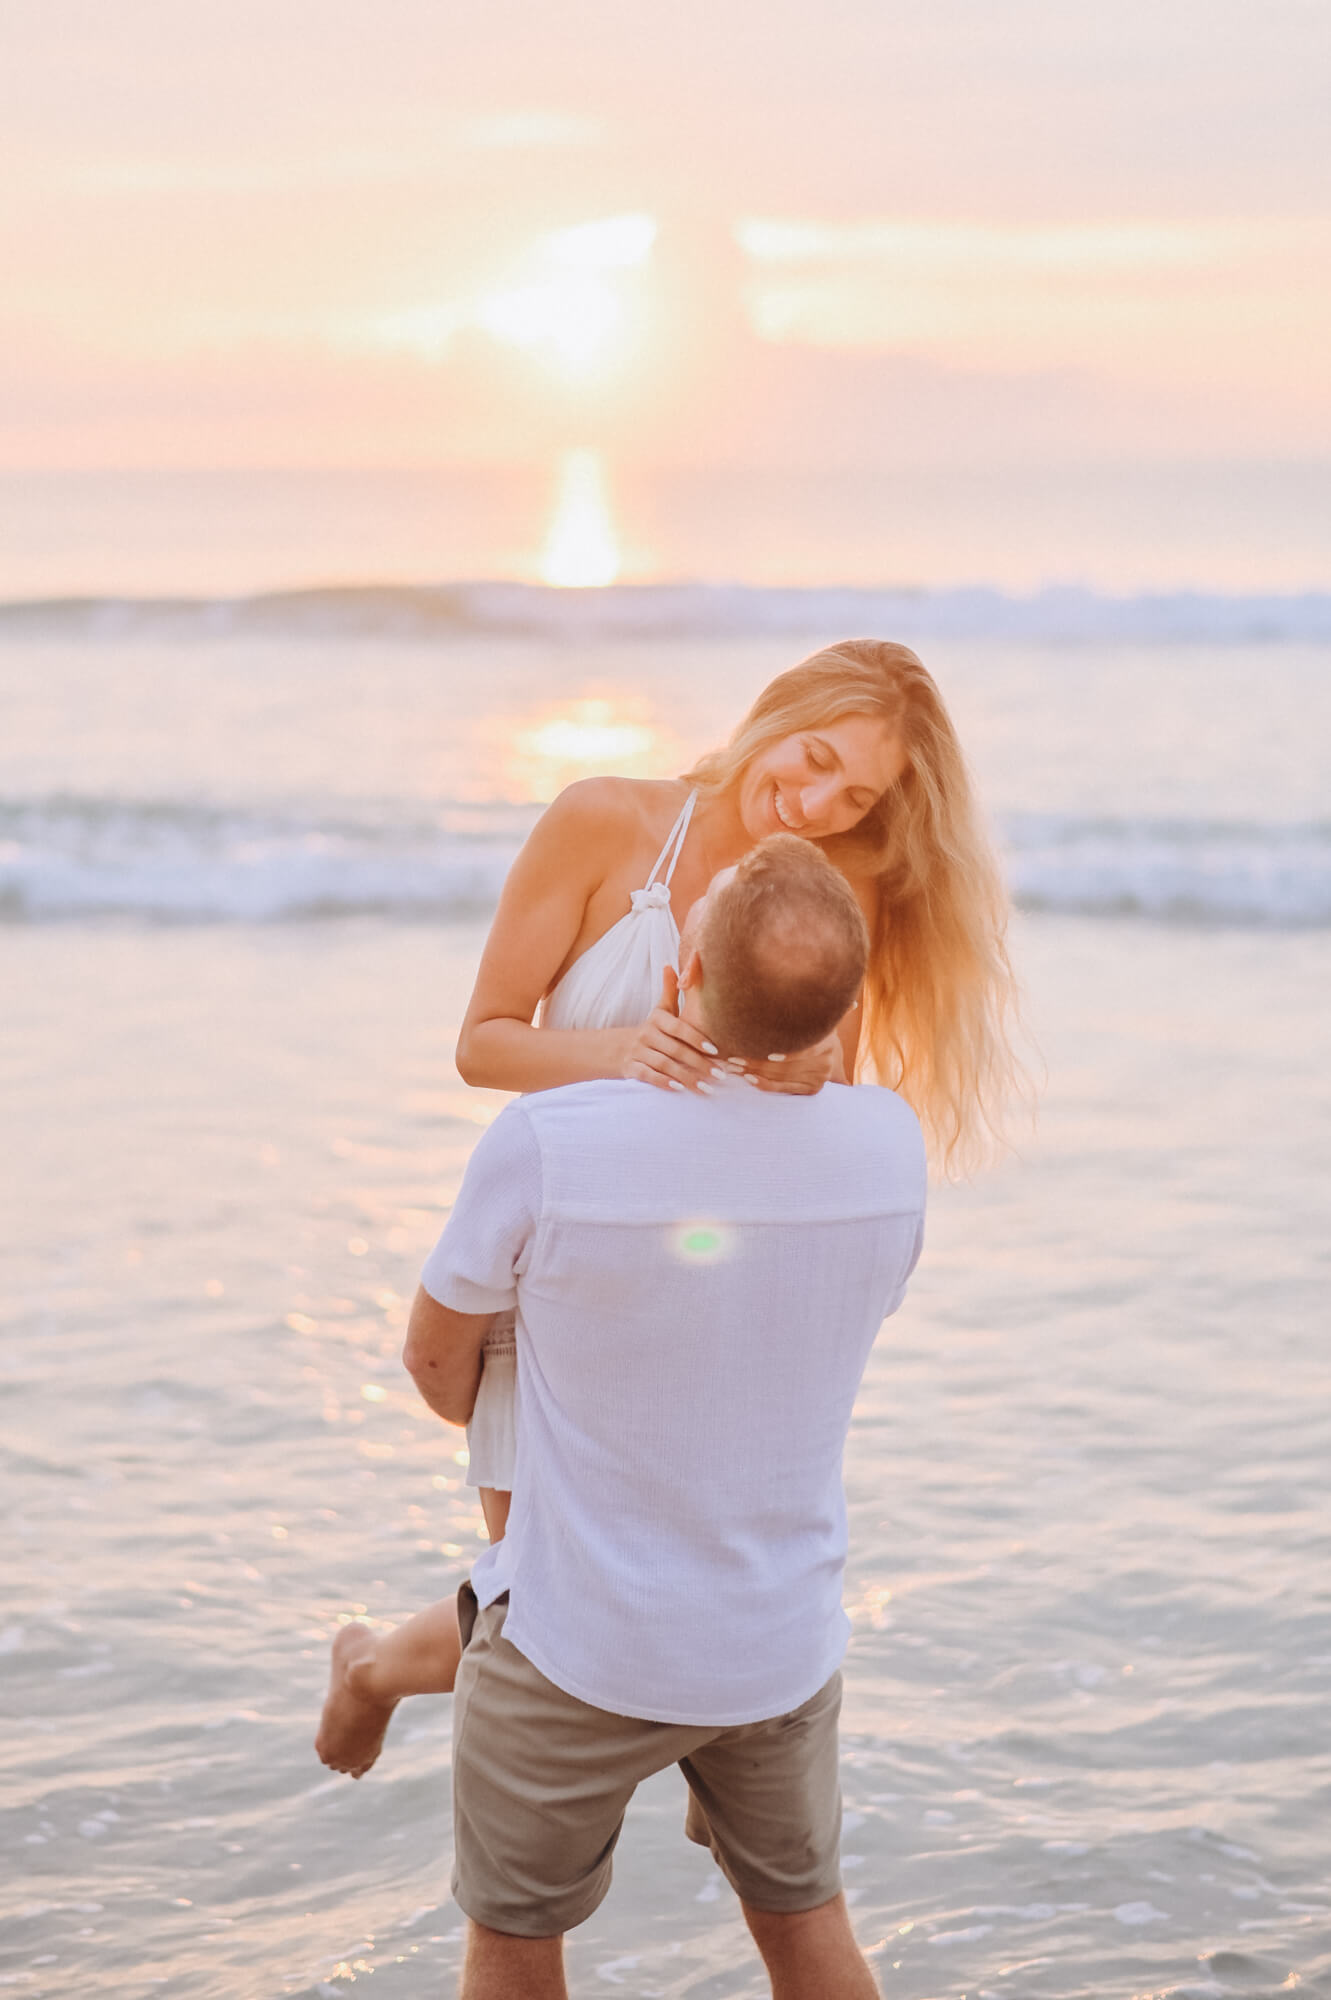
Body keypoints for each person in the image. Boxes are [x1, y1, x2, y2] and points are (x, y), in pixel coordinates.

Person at [316, 637, 1019, 1776]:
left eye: (855, 793)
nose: (817, 799)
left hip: (718, 1281)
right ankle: (375, 1671)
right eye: (814, 756)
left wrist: (817, 1068)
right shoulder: (603, 820)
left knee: (663, 1602)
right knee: (542, 1594)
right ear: (775, 708)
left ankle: (426, 1682)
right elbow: (481, 1042)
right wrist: (622, 1050)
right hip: (570, 1263)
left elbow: (825, 1086)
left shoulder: (839, 882)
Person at [407, 837, 927, 1998]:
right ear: (843, 1007)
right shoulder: (891, 1146)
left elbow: (437, 1366)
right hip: (776, 1647)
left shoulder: (552, 1141)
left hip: (577, 1640)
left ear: (675, 976)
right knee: (804, 1925)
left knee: (513, 1940)